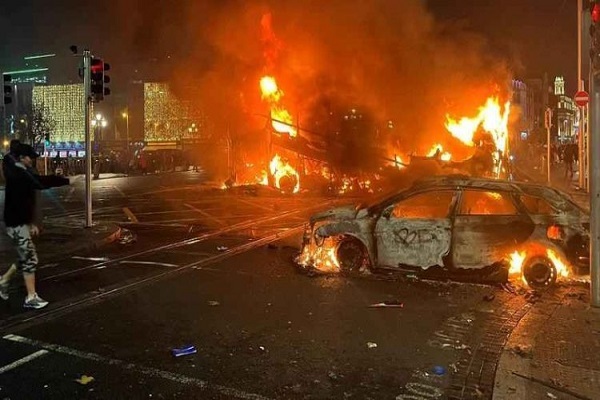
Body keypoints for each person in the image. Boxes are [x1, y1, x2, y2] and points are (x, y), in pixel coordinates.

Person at [0, 143, 69, 309]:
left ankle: (4, 281)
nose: (32, 160)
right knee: (30, 258)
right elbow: (39, 182)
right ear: (22, 158)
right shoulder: (19, 173)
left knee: (24, 255)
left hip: (19, 222)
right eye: (30, 157)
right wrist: (64, 180)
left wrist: (32, 222)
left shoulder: (19, 170)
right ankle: (31, 297)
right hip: (17, 223)